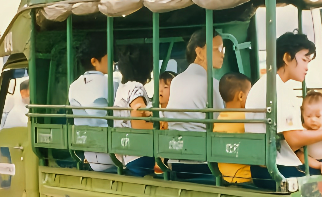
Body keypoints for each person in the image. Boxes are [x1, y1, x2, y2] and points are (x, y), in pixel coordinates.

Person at [245, 32, 322, 188]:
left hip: (261, 168)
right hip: (278, 170)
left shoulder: (265, 84)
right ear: (287, 57)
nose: (307, 67)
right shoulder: (278, 90)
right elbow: (294, 140)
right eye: (304, 60)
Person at [165, 29, 225, 178]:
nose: (222, 54)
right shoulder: (212, 84)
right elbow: (220, 124)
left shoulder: (177, 80)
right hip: (203, 162)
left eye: (223, 49)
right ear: (199, 52)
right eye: (217, 49)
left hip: (174, 158)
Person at [68, 35, 117, 172]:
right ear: (94, 61)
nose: (113, 61)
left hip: (88, 153)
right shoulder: (110, 84)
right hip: (111, 154)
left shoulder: (73, 86)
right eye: (109, 57)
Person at [114, 45, 155, 177]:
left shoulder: (121, 88)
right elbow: (139, 123)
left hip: (124, 155)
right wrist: (163, 127)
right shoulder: (136, 87)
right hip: (139, 156)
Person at [214, 72, 253, 184]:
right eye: (250, 94)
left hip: (226, 176)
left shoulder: (219, 118)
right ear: (241, 96)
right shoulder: (247, 118)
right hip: (247, 177)